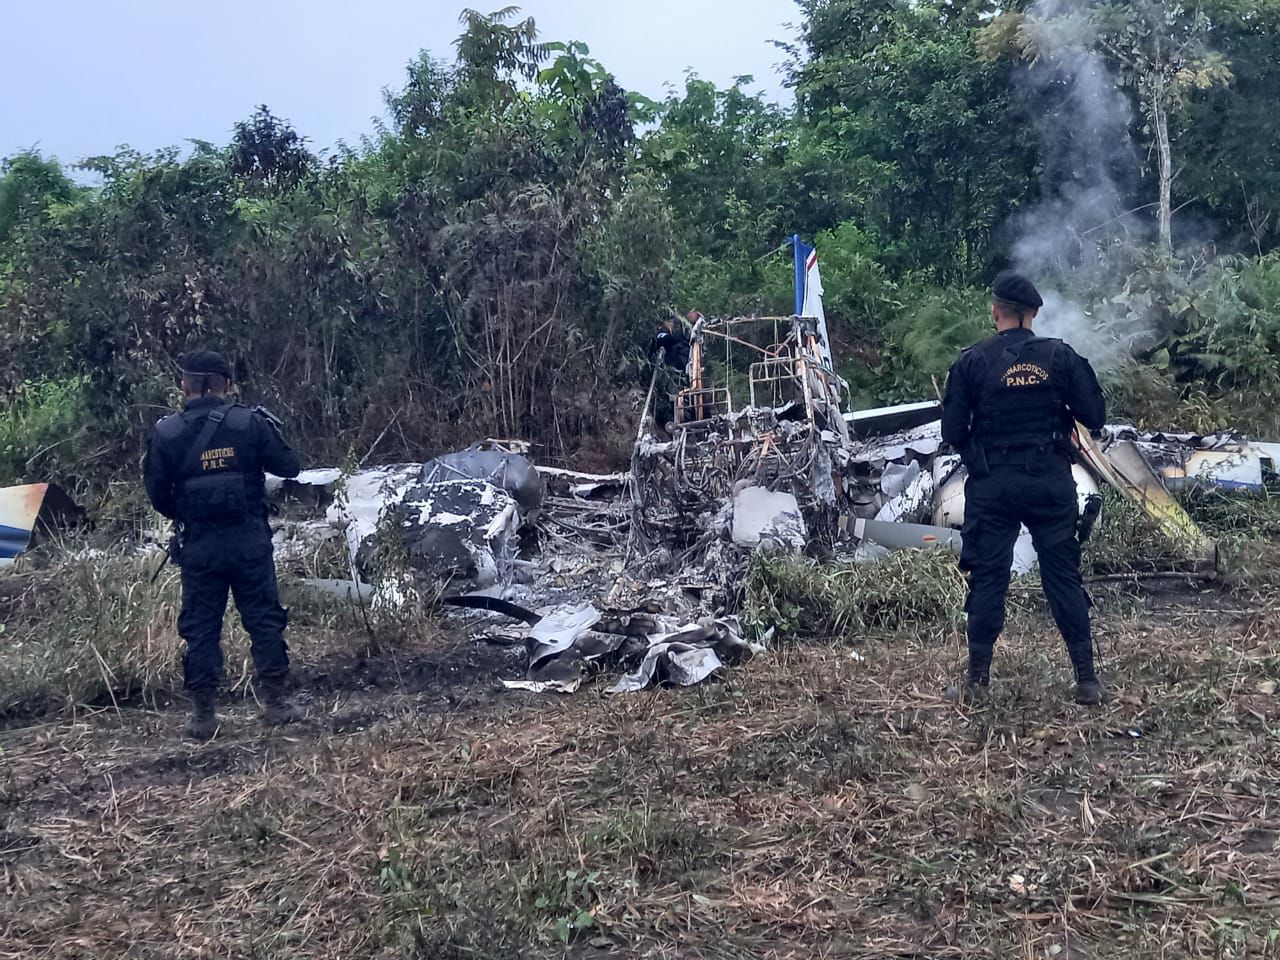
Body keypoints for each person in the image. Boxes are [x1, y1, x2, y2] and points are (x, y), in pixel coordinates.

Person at [941, 272, 1108, 706]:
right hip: (1050, 485)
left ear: (995, 311)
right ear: (1033, 313)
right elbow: (1095, 416)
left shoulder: (972, 361)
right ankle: (1086, 680)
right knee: (1063, 579)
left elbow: (954, 430)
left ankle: (977, 682)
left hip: (994, 485)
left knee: (989, 579)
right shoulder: (1060, 357)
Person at [144, 349, 303, 739]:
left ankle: (203, 715)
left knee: (201, 628)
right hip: (248, 539)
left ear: (185, 385)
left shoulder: (166, 433)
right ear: (226, 385)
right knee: (264, 620)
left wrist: (191, 513)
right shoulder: (249, 423)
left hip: (200, 545)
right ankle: (277, 704)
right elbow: (290, 466)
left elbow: (158, 496)